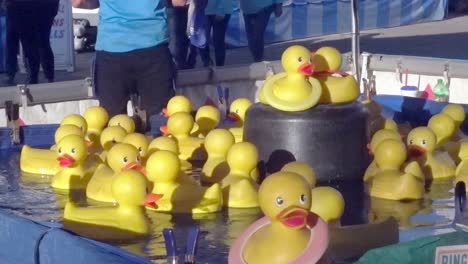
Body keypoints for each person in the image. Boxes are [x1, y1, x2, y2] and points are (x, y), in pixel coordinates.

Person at [72, 0, 185, 132]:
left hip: (112, 48)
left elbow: (78, 2)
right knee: (161, 125)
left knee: (113, 128)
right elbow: (180, 2)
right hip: (153, 46)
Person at [5, 0, 59, 84]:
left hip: (27, 7)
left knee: (32, 42)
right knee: (40, 42)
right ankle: (45, 76)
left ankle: (35, 76)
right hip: (39, 6)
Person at [198, 0, 232, 67]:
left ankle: (220, 66)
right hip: (203, 11)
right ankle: (207, 62)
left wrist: (221, 10)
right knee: (201, 39)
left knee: (218, 41)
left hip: (221, 10)